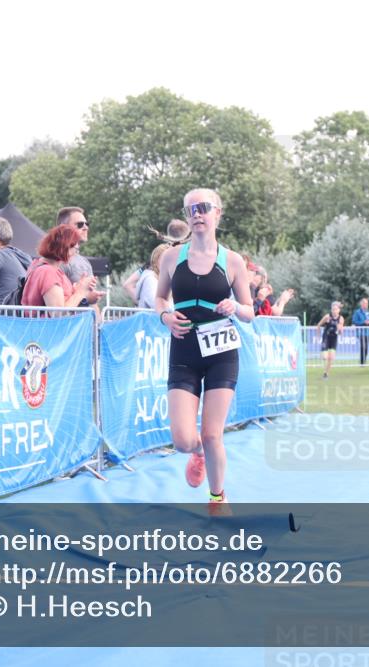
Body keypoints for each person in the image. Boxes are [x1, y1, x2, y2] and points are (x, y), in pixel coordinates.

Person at [155, 188, 253, 512]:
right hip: (184, 351)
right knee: (184, 440)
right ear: (186, 217)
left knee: (213, 434)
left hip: (221, 354)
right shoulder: (171, 257)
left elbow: (251, 312)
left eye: (203, 208)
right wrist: (165, 315)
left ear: (217, 213)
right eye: (190, 209)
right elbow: (159, 298)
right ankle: (197, 454)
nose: (197, 214)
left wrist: (235, 306)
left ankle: (217, 499)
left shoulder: (234, 261)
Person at [21, 225, 103, 312]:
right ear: (66, 247)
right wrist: (80, 292)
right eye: (76, 249)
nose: (76, 253)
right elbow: (59, 313)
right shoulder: (48, 272)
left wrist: (78, 288)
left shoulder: (40, 266)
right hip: (49, 325)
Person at [125, 220, 190, 303]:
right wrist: (151, 305)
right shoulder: (187, 256)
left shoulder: (158, 256)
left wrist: (144, 304)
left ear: (168, 235)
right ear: (187, 237)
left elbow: (128, 284)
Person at [135, 243, 170, 309]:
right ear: (156, 261)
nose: (167, 263)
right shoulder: (150, 279)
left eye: (170, 260)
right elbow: (157, 305)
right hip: (151, 319)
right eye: (164, 260)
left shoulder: (165, 279)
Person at [317, 301, 345, 379]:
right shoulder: (327, 316)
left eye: (336, 309)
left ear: (339, 310)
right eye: (333, 309)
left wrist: (340, 330)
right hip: (326, 337)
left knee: (331, 358)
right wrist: (318, 335)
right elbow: (318, 325)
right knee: (325, 357)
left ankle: (326, 373)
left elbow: (340, 332)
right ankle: (322, 354)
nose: (334, 311)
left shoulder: (341, 318)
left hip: (334, 339)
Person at [352, 297, 369, 365]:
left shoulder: (368, 312)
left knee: (366, 348)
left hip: (367, 333)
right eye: (364, 303)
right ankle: (362, 362)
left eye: (367, 303)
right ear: (361, 304)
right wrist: (363, 322)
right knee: (363, 347)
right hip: (361, 333)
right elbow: (354, 322)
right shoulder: (357, 312)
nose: (366, 304)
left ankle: (364, 362)